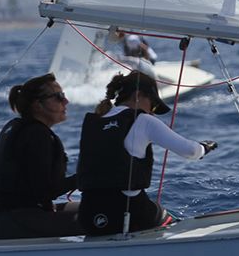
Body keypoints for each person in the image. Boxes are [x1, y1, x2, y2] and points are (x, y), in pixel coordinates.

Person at [76, 71, 217, 236]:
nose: (152, 112)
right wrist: (204, 147)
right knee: (167, 219)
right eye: (153, 105)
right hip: (127, 215)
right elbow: (190, 151)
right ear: (137, 96)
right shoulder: (143, 120)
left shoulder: (94, 122)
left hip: (88, 216)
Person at [0, 73, 80, 239]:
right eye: (58, 97)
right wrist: (85, 178)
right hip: (19, 222)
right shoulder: (37, 135)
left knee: (94, 208)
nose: (66, 101)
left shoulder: (19, 128)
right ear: (38, 105)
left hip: (4, 219)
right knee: (106, 218)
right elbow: (47, 190)